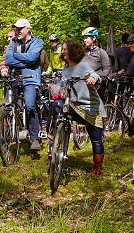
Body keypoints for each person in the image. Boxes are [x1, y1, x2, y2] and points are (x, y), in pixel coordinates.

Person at [59, 39, 106, 175]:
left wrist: (93, 79)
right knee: (57, 105)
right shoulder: (65, 69)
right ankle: (54, 137)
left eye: (65, 49)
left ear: (73, 51)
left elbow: (96, 76)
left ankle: (97, 168)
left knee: (96, 138)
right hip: (75, 106)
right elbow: (61, 86)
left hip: (91, 108)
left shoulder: (84, 66)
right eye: (62, 49)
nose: (63, 52)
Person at [3, 18, 45, 152]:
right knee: (13, 108)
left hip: (31, 78)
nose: (18, 31)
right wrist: (25, 60)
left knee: (30, 105)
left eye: (20, 28)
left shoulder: (37, 41)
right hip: (14, 77)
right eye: (16, 28)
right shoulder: (13, 42)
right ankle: (13, 134)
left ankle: (35, 138)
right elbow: (8, 60)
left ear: (28, 28)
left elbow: (33, 58)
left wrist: (16, 55)